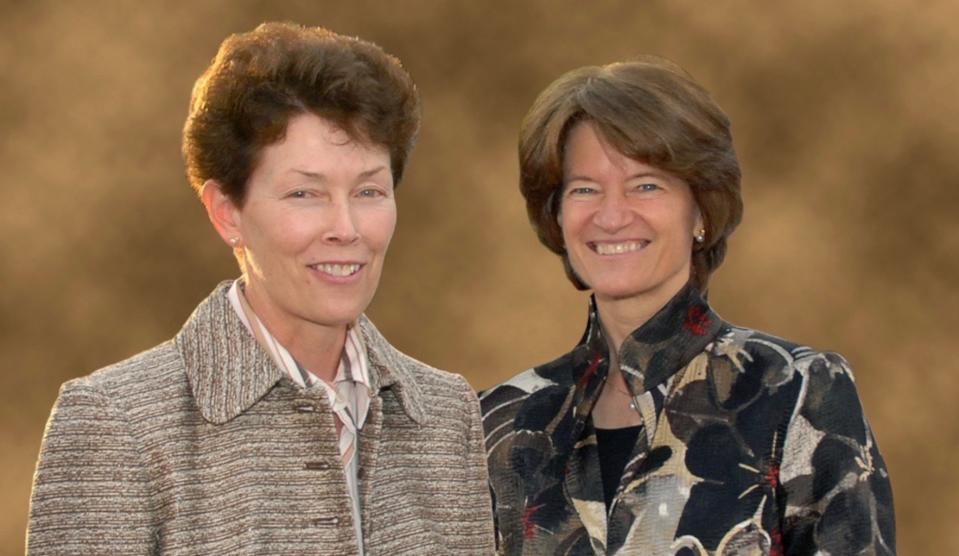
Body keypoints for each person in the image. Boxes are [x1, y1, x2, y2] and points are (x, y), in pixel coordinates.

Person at [27, 22, 494, 555]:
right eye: (304, 193)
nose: (347, 227)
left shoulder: (447, 412)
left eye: (369, 190)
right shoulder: (115, 423)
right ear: (227, 213)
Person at [481, 57, 895, 555]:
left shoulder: (797, 392)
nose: (611, 216)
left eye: (646, 185)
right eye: (584, 189)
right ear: (558, 216)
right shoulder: (502, 422)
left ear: (700, 210)